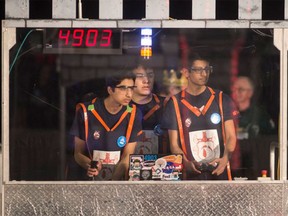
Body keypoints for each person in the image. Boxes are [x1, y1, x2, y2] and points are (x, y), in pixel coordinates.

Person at [161, 53, 238, 180]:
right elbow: (174, 145)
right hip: (189, 175)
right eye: (198, 70)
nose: (204, 74)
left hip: (219, 172)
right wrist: (185, 162)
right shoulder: (174, 103)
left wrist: (225, 159)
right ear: (186, 72)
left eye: (207, 69)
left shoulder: (221, 99)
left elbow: (231, 136)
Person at [70, 71, 143, 180]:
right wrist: (90, 165)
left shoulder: (133, 113)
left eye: (131, 88)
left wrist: (112, 183)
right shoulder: (86, 111)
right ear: (110, 90)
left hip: (117, 180)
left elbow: (127, 155)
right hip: (89, 180)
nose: (129, 94)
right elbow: (78, 153)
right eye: (123, 88)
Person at [231, 76, 276, 179]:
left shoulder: (260, 116)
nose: (237, 92)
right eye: (234, 89)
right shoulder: (226, 113)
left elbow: (269, 140)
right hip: (233, 164)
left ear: (250, 93)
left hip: (254, 165)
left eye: (241, 89)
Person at [130, 64, 170, 154]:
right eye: (140, 76)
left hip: (161, 163)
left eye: (150, 75)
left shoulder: (166, 104)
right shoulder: (122, 106)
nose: (146, 81)